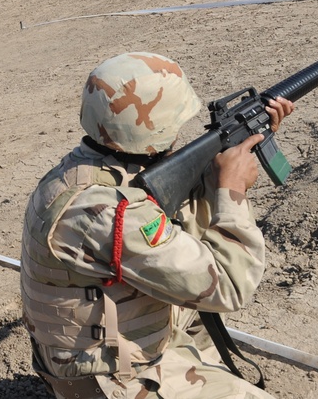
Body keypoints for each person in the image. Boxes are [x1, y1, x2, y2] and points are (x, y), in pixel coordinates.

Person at [20, 51, 294, 399]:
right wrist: (231, 190)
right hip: (110, 381)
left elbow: (178, 228)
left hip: (97, 353)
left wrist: (216, 172)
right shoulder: (109, 211)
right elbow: (229, 286)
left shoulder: (81, 173)